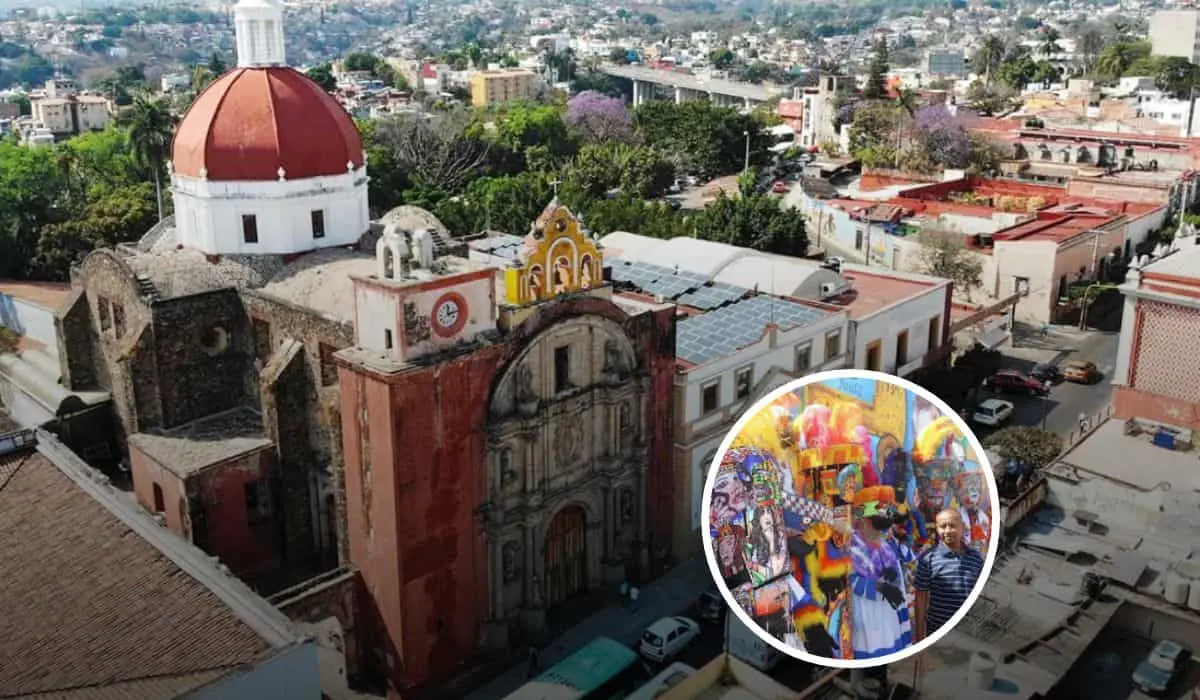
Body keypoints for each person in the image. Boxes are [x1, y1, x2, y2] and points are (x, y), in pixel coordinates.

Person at [913, 509, 986, 643]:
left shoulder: (976, 558)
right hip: (938, 632)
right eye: (942, 526)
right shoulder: (928, 559)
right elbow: (920, 600)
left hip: (970, 633)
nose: (947, 531)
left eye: (952, 526)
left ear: (962, 527)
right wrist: (919, 638)